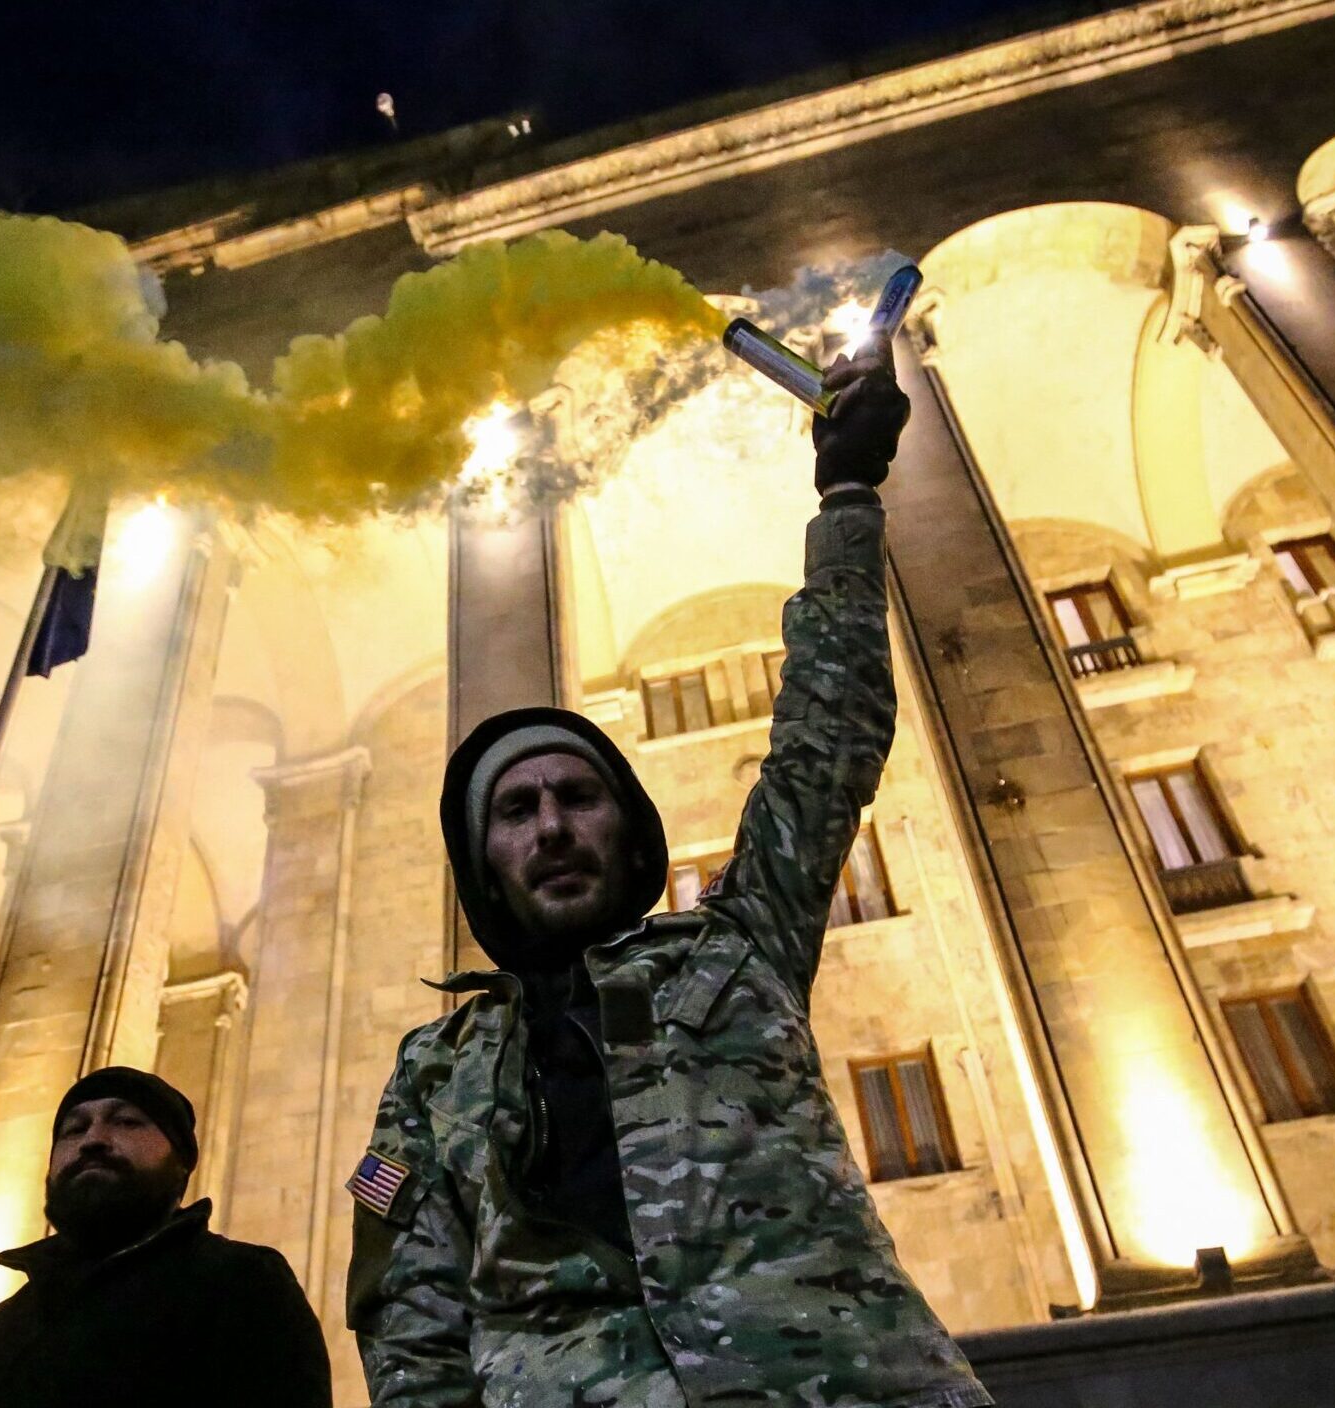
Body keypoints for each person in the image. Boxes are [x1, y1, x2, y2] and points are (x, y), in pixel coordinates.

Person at [345, 347, 990, 1407]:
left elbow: (827, 738)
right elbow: (409, 1312)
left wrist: (844, 494)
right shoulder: (431, 1074)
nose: (553, 826)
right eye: (517, 811)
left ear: (630, 829)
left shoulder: (738, 947)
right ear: (484, 863)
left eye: (578, 796)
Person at [0, 1067, 330, 1406]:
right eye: (74, 1129)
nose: (93, 1140)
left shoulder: (241, 1282)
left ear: (180, 1163)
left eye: (127, 1122)